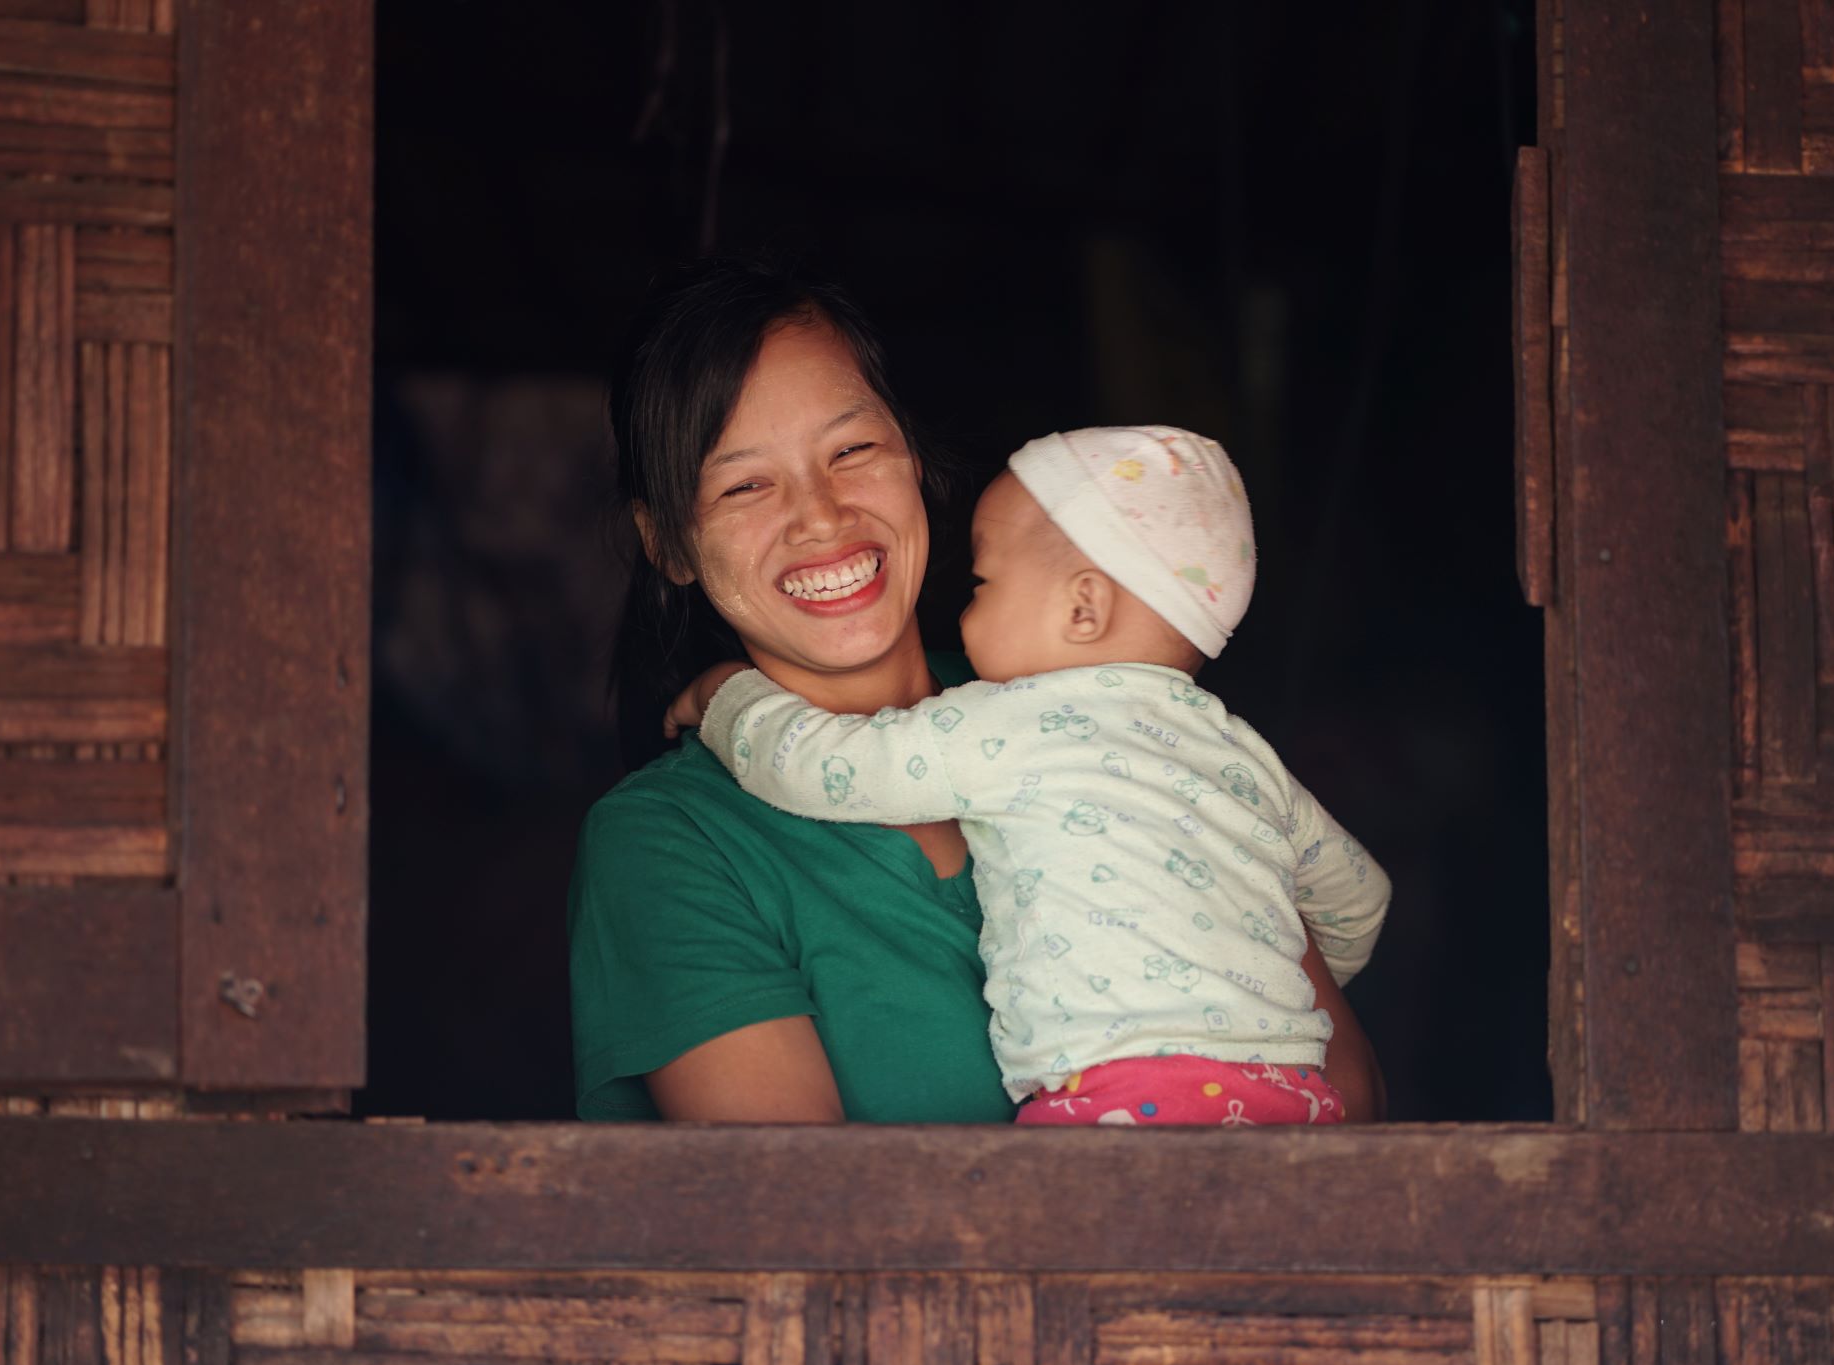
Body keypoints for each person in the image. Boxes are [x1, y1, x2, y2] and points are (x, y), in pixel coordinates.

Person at [571, 255, 1383, 1122]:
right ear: (669, 544)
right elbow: (793, 1215)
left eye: (853, 450)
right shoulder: (670, 843)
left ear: (912, 460)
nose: (821, 514)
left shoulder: (1114, 723)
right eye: (744, 484)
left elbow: (1356, 1087)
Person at [674, 426, 1390, 1125]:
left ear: (1084, 606)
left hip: (1128, 1103)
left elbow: (821, 766)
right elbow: (1360, 900)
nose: (965, 607)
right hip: (1297, 1097)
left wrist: (725, 696)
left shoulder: (1008, 725)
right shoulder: (1244, 756)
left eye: (983, 582)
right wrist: (1256, 978)